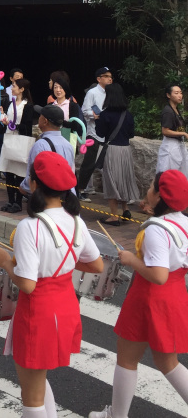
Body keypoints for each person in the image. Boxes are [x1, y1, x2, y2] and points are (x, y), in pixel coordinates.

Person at [0, 152, 103, 418]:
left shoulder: (30, 226)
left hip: (38, 313)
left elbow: (28, 284)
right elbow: (97, 265)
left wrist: (6, 262)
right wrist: (62, 266)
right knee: (38, 380)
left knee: (30, 397)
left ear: (33, 184)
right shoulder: (76, 221)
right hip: (65, 307)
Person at [89, 170, 188, 418]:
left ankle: (116, 415)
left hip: (148, 296)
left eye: (151, 186)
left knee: (127, 357)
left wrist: (132, 259)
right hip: (174, 295)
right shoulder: (184, 223)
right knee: (168, 362)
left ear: (158, 196)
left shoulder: (156, 229)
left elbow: (158, 275)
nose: (147, 189)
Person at [96, 83, 139, 226]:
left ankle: (114, 216)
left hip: (112, 150)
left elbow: (100, 133)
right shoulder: (128, 115)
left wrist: (98, 120)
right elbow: (131, 134)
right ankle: (125, 209)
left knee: (111, 181)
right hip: (125, 150)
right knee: (124, 180)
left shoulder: (105, 114)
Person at [20, 105, 75, 196]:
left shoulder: (40, 145)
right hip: (67, 196)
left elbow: (33, 175)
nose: (38, 118)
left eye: (40, 116)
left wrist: (23, 187)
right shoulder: (68, 144)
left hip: (47, 197)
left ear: (45, 121)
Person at [0, 78, 34, 213]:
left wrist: (13, 125)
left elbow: (26, 126)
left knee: (19, 173)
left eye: (14, 86)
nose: (12, 88)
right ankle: (10, 200)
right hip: (9, 138)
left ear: (22, 89)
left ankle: (18, 202)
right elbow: (8, 120)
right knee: (8, 171)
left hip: (20, 141)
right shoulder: (10, 102)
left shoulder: (28, 105)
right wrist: (2, 115)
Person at [78, 66, 113, 200]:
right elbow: (85, 110)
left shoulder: (111, 93)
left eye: (110, 76)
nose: (110, 79)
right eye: (106, 76)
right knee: (89, 163)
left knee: (106, 164)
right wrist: (94, 116)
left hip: (107, 133)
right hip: (93, 133)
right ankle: (80, 189)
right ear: (99, 79)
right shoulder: (92, 92)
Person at [156, 83, 187, 176]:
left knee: (178, 176)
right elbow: (165, 131)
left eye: (180, 93)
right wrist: (184, 134)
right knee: (169, 176)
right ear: (168, 95)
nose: (180, 95)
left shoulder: (176, 110)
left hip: (177, 145)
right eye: (176, 93)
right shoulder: (168, 111)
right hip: (170, 146)